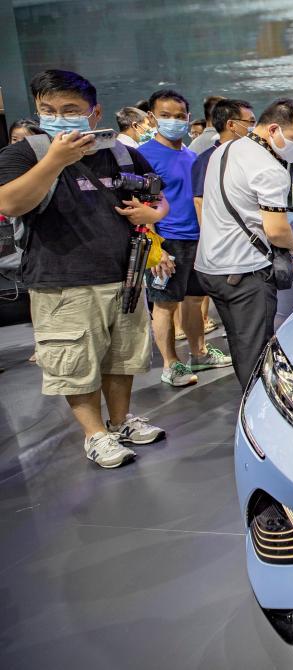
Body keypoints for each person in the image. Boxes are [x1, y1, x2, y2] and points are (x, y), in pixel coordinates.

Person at [0, 69, 170, 468]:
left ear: (94, 113)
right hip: (62, 280)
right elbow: (9, 204)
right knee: (75, 363)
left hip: (124, 277)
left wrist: (154, 212)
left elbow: (158, 195)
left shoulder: (120, 152)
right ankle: (95, 435)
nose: (59, 118)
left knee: (122, 358)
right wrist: (55, 161)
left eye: (70, 109)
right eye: (49, 110)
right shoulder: (24, 155)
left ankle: (121, 421)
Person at [195, 98, 293, 385]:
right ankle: (258, 405)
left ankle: (247, 394)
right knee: (256, 353)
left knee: (239, 342)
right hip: (245, 271)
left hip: (211, 265)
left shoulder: (224, 150)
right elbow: (276, 231)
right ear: (273, 129)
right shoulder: (269, 168)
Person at [139, 89, 232, 387]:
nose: (174, 121)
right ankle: (171, 364)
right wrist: (155, 248)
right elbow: (140, 204)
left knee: (194, 300)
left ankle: (199, 353)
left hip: (197, 240)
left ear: (188, 117)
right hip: (166, 241)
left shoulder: (192, 156)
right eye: (165, 115)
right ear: (152, 117)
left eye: (179, 116)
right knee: (164, 305)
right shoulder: (142, 156)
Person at [189, 98, 254, 339]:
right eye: (250, 122)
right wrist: (210, 237)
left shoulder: (251, 156)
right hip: (223, 246)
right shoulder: (207, 159)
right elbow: (199, 201)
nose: (253, 127)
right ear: (231, 124)